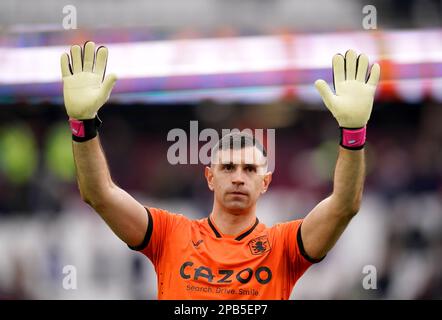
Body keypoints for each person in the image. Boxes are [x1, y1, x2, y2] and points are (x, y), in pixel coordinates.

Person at [60, 41, 380, 299]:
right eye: (227, 167)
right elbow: (99, 194)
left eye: (250, 169)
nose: (239, 176)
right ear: (210, 177)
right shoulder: (169, 235)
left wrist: (353, 132)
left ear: (265, 182)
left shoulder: (283, 246)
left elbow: (344, 206)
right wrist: (84, 126)